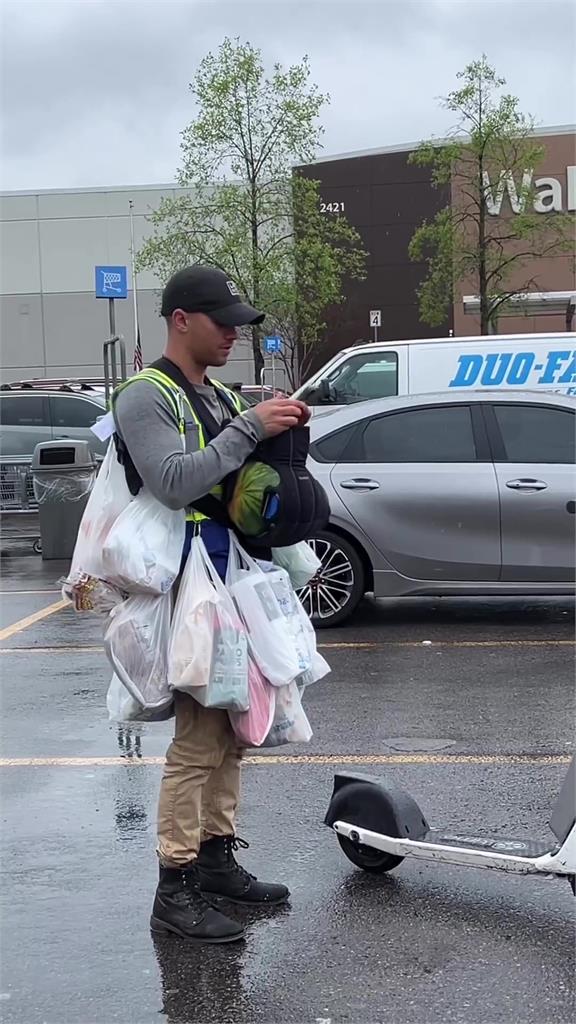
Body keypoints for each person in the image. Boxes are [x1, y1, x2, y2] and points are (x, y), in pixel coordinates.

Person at [112, 265, 310, 945]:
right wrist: (249, 428)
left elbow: (235, 481)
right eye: (221, 320)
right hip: (186, 587)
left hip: (231, 582)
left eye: (238, 322)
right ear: (179, 320)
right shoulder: (146, 394)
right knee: (198, 738)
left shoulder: (220, 394)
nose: (233, 332)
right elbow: (171, 482)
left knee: (231, 728)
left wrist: (275, 441)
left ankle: (219, 860)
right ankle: (175, 887)